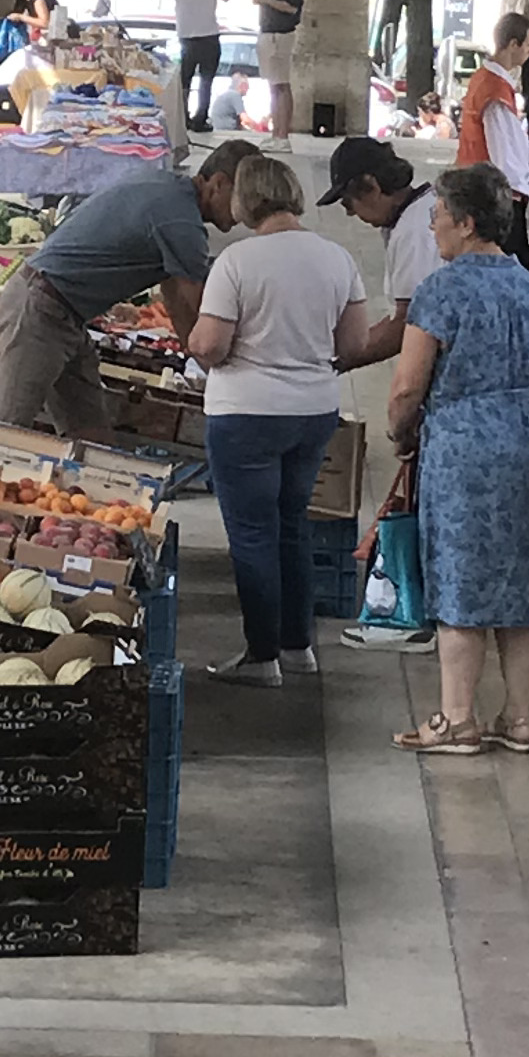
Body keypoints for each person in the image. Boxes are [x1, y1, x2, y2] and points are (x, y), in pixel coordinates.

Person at [385, 166, 529, 754]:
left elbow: (408, 387)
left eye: (440, 214)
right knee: (526, 581)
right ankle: (520, 718)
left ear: (466, 224)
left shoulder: (441, 290)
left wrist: (401, 430)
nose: (434, 224)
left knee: (462, 577)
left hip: (467, 442)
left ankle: (456, 719)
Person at [187, 151, 368, 684]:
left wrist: (198, 343)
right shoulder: (337, 258)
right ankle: (298, 645)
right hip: (313, 411)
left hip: (245, 415)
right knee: (294, 527)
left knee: (251, 534)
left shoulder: (238, 263)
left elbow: (212, 345)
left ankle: (260, 655)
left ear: (247, 199)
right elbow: (354, 343)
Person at [0, 139, 254, 433]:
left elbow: (177, 304)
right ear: (218, 183)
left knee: (90, 439)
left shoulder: (166, 186)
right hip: (40, 311)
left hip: (63, 315)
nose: (243, 212)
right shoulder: (182, 222)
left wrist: (207, 367)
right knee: (2, 434)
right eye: (241, 197)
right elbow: (201, 313)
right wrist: (233, 381)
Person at [323, 132, 444, 368]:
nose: (349, 212)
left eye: (348, 202)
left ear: (372, 187)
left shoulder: (414, 231)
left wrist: (338, 362)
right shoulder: (418, 212)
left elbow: (409, 324)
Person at [457, 13, 529, 216]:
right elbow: (503, 148)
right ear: (514, 44)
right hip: (489, 189)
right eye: (528, 45)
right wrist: (523, 182)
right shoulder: (495, 90)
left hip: (475, 178)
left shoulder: (483, 78)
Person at [169, 0, 231, 132]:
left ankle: (182, 116)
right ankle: (200, 117)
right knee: (206, 78)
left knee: (185, 77)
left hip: (186, 30)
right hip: (208, 31)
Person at [253, 0, 303, 138]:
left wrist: (264, 0)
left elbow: (292, 7)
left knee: (281, 85)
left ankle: (282, 133)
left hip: (279, 35)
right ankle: (277, 133)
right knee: (274, 86)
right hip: (271, 34)